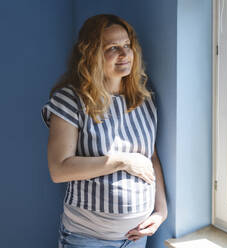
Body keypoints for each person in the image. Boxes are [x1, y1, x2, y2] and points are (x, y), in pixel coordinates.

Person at [41, 14, 167, 248]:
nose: (124, 54)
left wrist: (160, 212)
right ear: (91, 54)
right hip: (87, 239)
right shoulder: (70, 100)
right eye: (113, 48)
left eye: (127, 46)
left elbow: (151, 158)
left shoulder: (143, 98)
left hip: (136, 239)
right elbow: (59, 169)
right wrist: (121, 161)